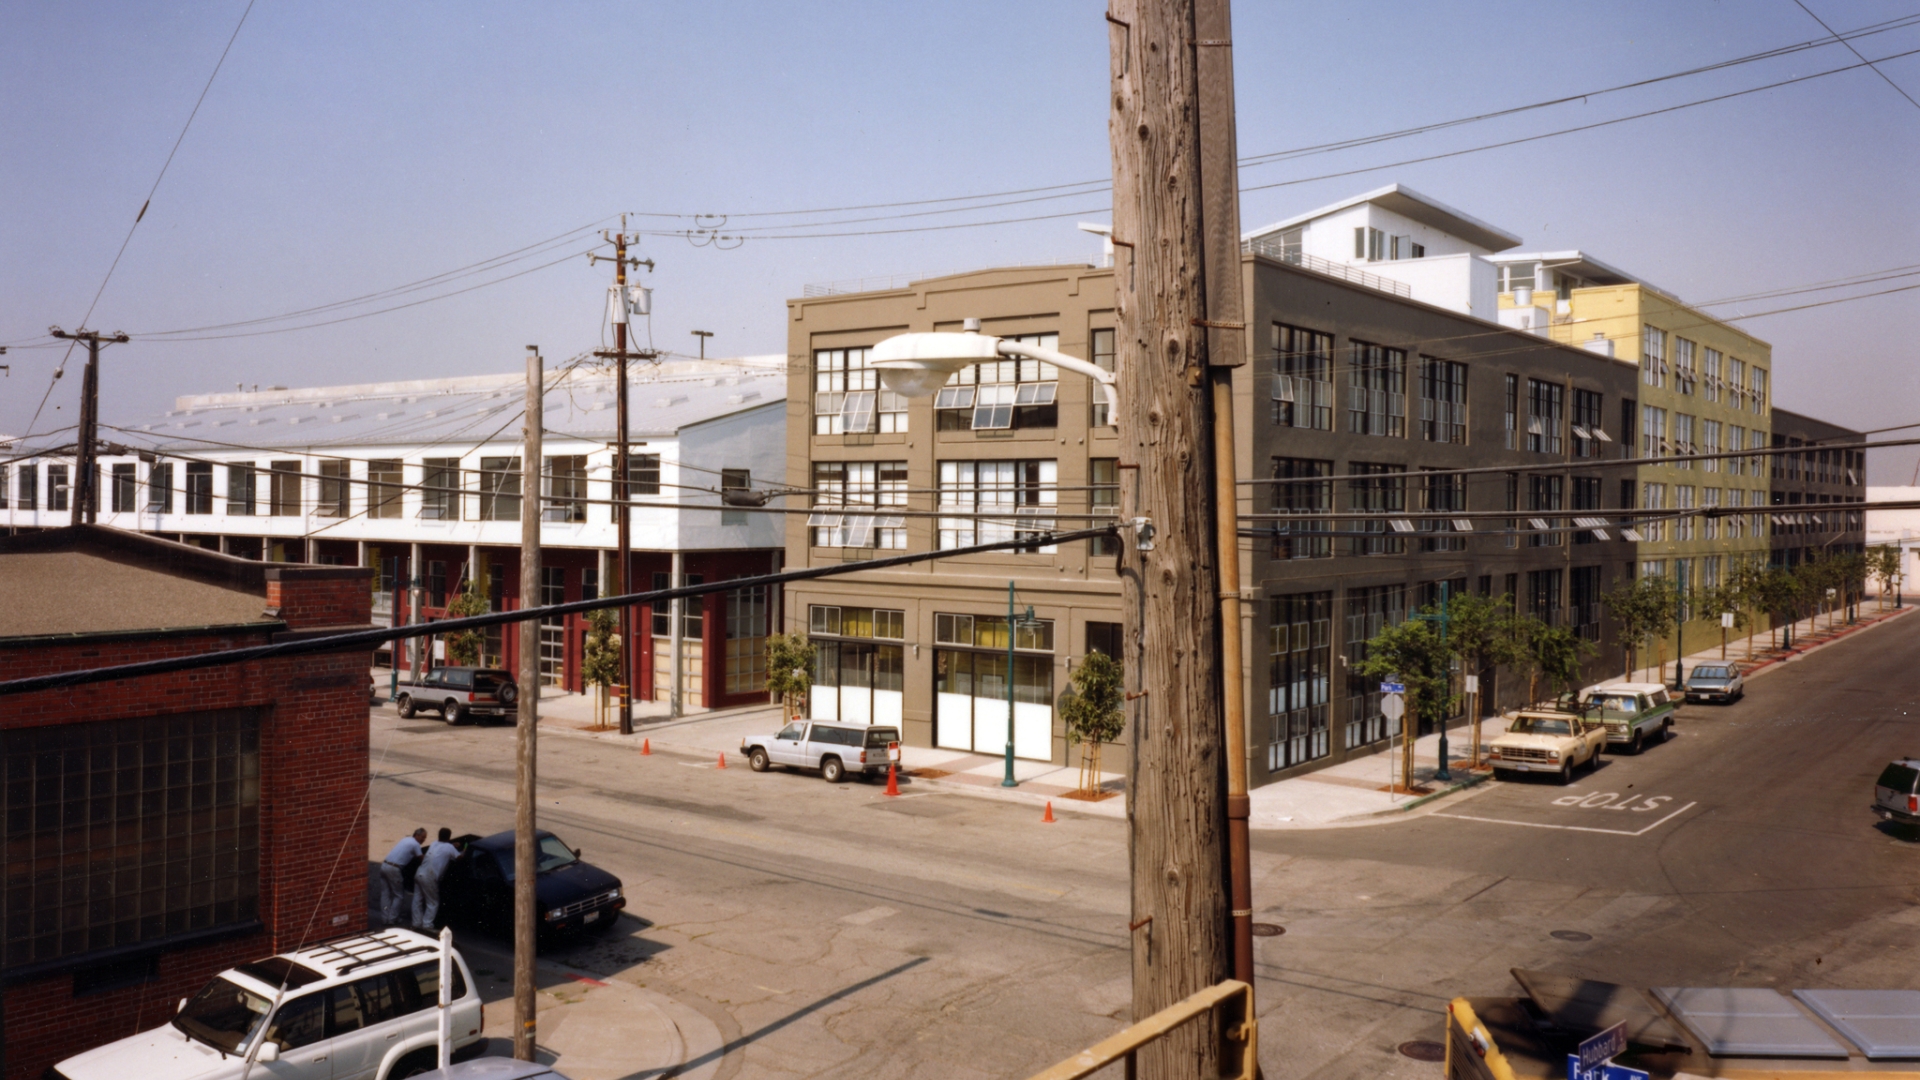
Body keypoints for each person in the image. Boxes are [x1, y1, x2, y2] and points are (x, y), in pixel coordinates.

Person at [413, 827, 459, 930]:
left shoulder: (434, 843)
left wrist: (451, 845)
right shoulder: (449, 847)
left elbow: (442, 849)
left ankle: (416, 923)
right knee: (433, 902)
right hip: (430, 876)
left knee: (417, 900)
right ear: (449, 837)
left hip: (419, 872)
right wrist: (464, 850)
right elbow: (459, 857)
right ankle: (427, 925)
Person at [379, 828, 427, 926]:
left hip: (384, 865)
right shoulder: (415, 844)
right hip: (394, 869)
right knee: (398, 895)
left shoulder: (406, 839)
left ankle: (385, 918)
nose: (423, 840)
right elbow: (422, 858)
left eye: (425, 838)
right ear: (417, 835)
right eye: (422, 837)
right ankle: (392, 919)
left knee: (385, 893)